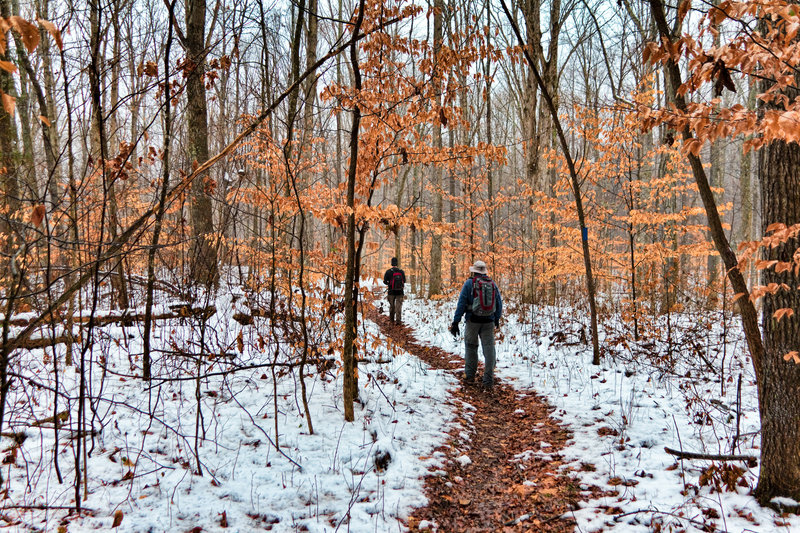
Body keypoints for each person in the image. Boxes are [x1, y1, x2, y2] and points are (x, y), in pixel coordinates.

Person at [450, 260, 503, 389]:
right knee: (489, 348)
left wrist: (456, 321)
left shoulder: (469, 283)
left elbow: (462, 303)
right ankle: (488, 379)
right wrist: (496, 318)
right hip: (489, 321)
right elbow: (499, 303)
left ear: (474, 271)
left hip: (472, 321)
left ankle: (469, 375)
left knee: (471, 346)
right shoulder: (492, 284)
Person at [383, 257, 406, 324]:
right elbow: (404, 281)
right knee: (399, 306)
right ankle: (398, 321)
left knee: (392, 306)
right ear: (397, 263)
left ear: (391, 263)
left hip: (391, 291)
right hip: (400, 292)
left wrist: (389, 283)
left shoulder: (388, 272)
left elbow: (385, 281)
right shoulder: (401, 271)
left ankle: (391, 320)